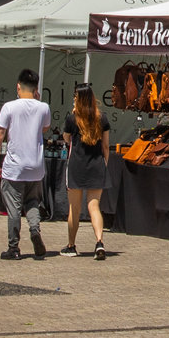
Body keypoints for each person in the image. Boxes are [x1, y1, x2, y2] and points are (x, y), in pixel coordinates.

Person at [0, 70, 54, 261]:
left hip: (14, 167)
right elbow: (44, 128)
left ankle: (14, 247)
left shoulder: (9, 107)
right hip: (35, 166)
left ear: (18, 86)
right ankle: (34, 229)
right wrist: (38, 101)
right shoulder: (43, 107)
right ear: (36, 89)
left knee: (14, 207)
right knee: (33, 202)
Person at [60, 86, 111, 258]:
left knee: (74, 208)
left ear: (78, 99)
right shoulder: (102, 118)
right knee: (94, 206)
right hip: (97, 165)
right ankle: (99, 242)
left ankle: (71, 245)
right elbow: (105, 146)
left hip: (76, 166)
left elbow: (66, 138)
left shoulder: (72, 119)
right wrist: (105, 163)